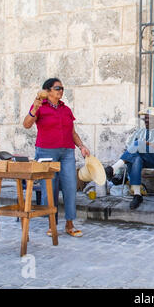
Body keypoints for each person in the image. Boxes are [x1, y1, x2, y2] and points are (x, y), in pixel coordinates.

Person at [23, 78, 90, 237]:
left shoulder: (65, 109)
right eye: (57, 88)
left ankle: (69, 224)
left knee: (70, 186)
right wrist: (34, 110)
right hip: (46, 152)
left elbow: (72, 132)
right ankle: (51, 224)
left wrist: (81, 146)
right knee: (49, 189)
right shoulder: (40, 106)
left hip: (67, 152)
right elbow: (26, 124)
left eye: (62, 88)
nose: (60, 90)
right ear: (48, 90)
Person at [105, 107, 154, 210]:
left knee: (138, 144)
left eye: (149, 118)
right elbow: (129, 147)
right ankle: (137, 195)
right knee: (136, 158)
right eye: (145, 119)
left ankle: (114, 168)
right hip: (140, 160)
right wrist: (139, 146)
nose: (146, 121)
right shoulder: (139, 132)